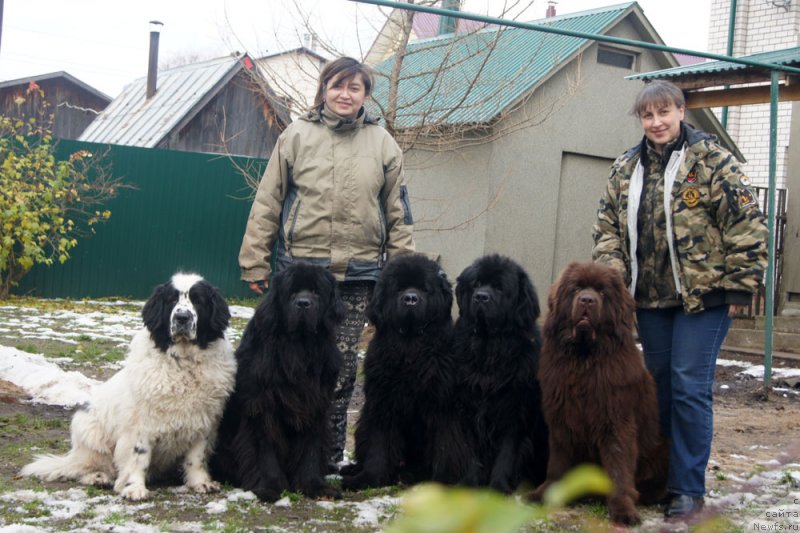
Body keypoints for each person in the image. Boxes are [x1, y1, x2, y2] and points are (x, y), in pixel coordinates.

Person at [592, 80, 768, 520]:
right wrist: (614, 283)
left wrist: (741, 284)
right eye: (648, 115)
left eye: (664, 113)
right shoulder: (625, 168)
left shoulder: (713, 162)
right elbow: (608, 230)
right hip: (649, 301)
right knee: (659, 390)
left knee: (690, 387)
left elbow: (746, 222)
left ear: (681, 112)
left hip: (703, 299)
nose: (656, 122)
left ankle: (688, 489)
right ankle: (661, 477)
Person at [238, 56, 415, 467]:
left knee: (339, 373)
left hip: (359, 277)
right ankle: (276, 453)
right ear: (324, 89)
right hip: (301, 276)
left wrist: (400, 275)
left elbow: (399, 213)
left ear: (366, 96)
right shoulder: (296, 136)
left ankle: (327, 457)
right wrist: (255, 262)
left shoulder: (383, 143)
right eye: (338, 85)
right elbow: (268, 201)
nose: (345, 94)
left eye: (355, 88)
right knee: (283, 368)